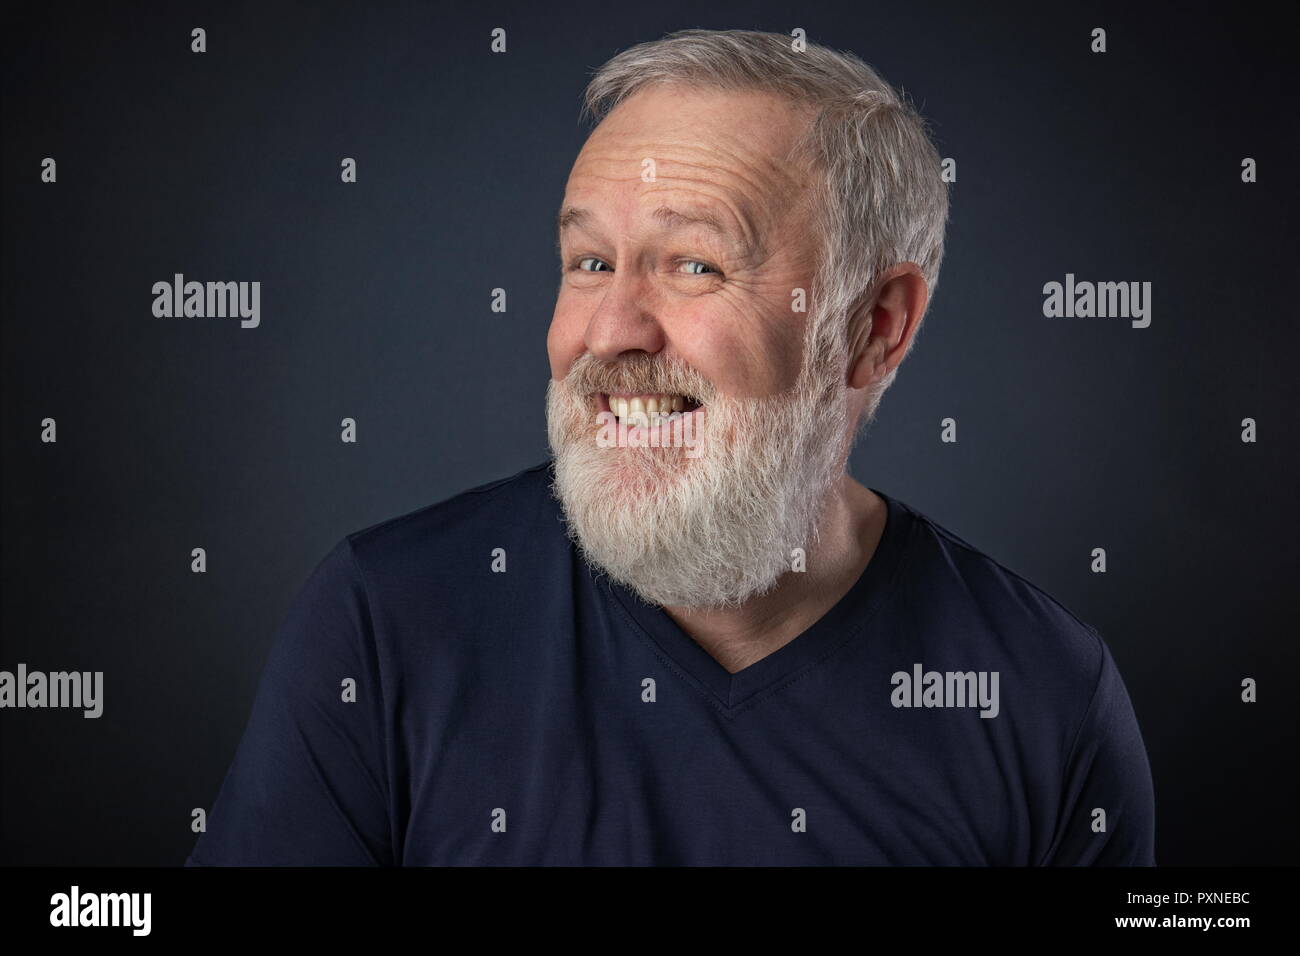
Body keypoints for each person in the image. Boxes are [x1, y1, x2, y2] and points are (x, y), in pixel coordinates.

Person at [186, 29, 1154, 866]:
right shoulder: (388, 616)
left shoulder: (1041, 693)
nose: (609, 332)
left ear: (875, 325)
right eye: (591, 262)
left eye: (693, 263)